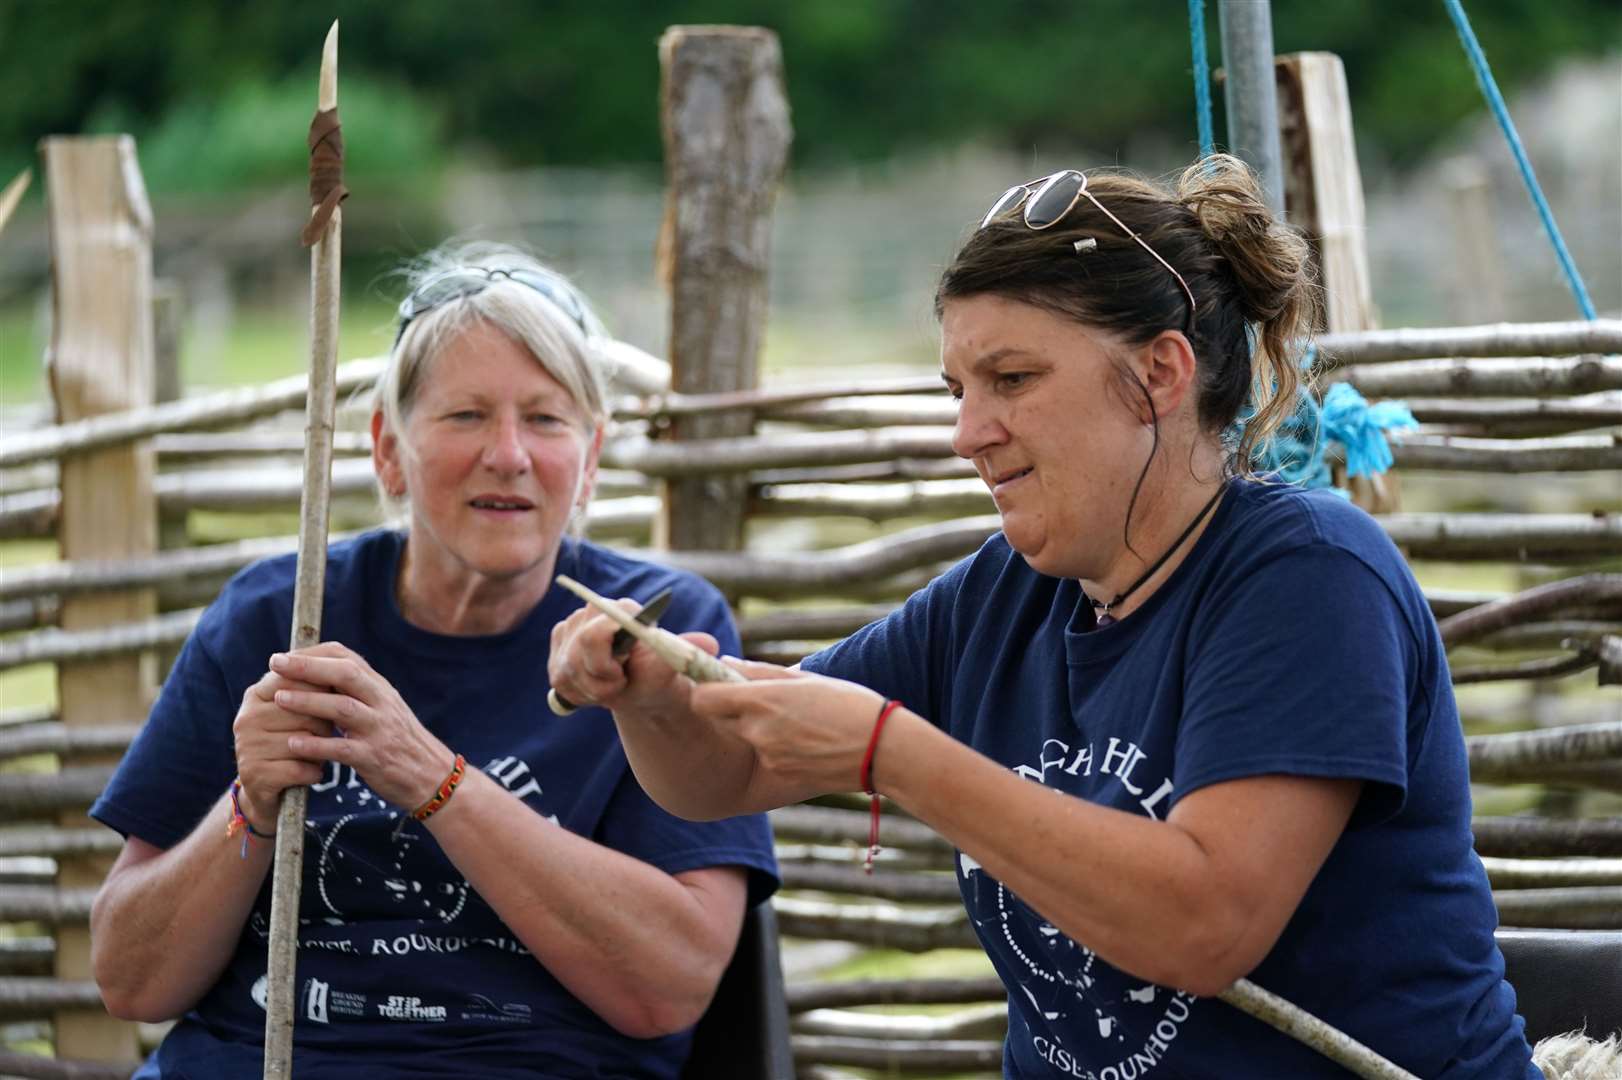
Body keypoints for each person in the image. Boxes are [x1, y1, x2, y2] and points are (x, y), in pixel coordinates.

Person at [550, 157, 1540, 1078]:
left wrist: (893, 754)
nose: (966, 433)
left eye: (1011, 380)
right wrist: (654, 699)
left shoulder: (1308, 576)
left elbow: (1203, 923)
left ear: (1158, 373)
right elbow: (725, 773)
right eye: (957, 390)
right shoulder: (1004, 593)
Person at [89, 243, 778, 1079]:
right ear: (387, 449)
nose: (510, 454)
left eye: (547, 419)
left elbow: (668, 989)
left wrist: (434, 781)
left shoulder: (653, 638)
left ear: (590, 458)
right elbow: (130, 980)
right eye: (465, 416)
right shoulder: (279, 616)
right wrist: (253, 804)